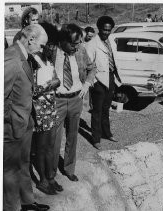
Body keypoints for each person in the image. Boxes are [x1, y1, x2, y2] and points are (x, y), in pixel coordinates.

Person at [4, 24, 50, 211]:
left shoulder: (24, 55)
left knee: (23, 165)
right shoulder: (12, 57)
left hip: (24, 124)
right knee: (9, 173)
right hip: (12, 126)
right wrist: (11, 119)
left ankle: (27, 202)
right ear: (30, 40)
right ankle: (12, 207)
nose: (42, 49)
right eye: (41, 45)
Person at [52, 23, 96, 182]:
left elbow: (92, 68)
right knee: (54, 139)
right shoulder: (52, 52)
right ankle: (51, 173)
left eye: (79, 43)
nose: (76, 47)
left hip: (76, 98)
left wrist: (87, 84)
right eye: (73, 43)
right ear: (62, 40)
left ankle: (69, 168)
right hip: (57, 101)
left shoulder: (81, 50)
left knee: (72, 136)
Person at [31, 22, 62, 195]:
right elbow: (32, 90)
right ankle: (42, 180)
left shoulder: (48, 59)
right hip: (40, 109)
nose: (52, 48)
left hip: (51, 106)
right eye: (50, 44)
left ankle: (50, 177)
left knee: (51, 145)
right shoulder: (33, 60)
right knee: (41, 148)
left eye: (53, 45)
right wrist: (50, 86)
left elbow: (56, 79)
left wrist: (53, 83)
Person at [85, 16, 122, 150]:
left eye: (109, 30)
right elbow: (87, 65)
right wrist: (93, 81)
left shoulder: (111, 40)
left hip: (110, 77)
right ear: (99, 28)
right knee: (97, 111)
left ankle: (107, 133)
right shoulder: (92, 44)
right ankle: (96, 138)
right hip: (98, 81)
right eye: (104, 30)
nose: (106, 32)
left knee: (106, 109)